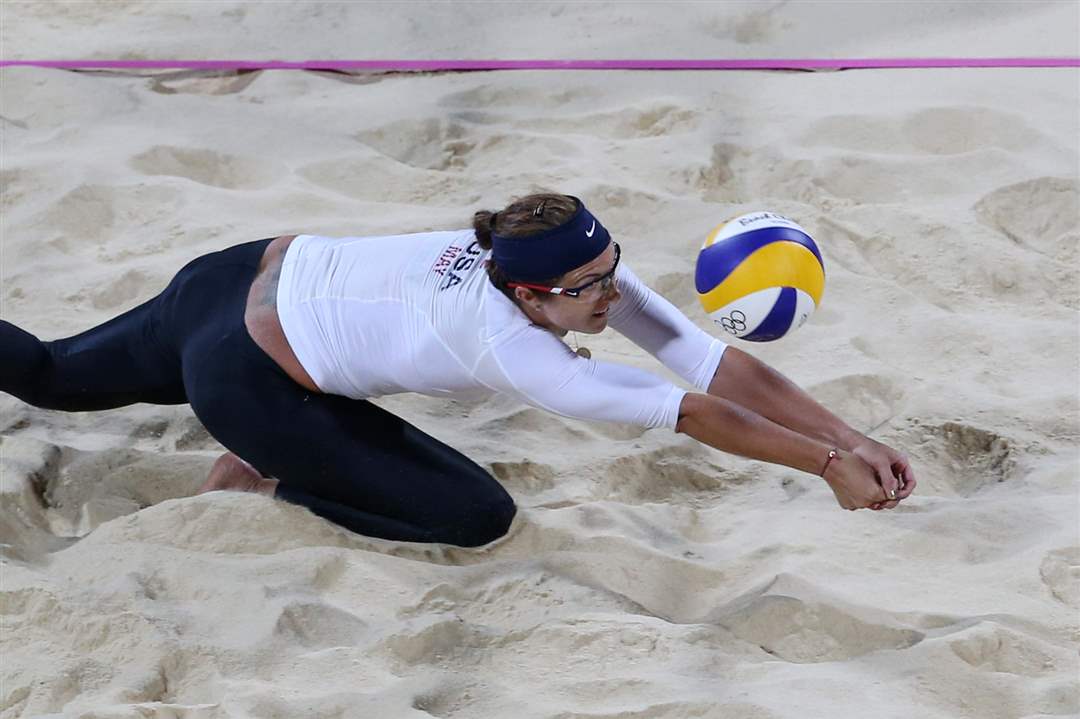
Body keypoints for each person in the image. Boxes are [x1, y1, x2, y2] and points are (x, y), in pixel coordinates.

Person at [0, 193, 916, 547]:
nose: (610, 297)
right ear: (527, 296)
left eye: (611, 272)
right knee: (477, 516)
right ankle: (270, 473)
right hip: (248, 370)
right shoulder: (518, 350)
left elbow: (705, 359)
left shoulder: (560, 267)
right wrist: (825, 469)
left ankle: (276, 448)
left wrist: (852, 436)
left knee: (46, 371)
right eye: (587, 291)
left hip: (234, 274)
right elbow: (691, 411)